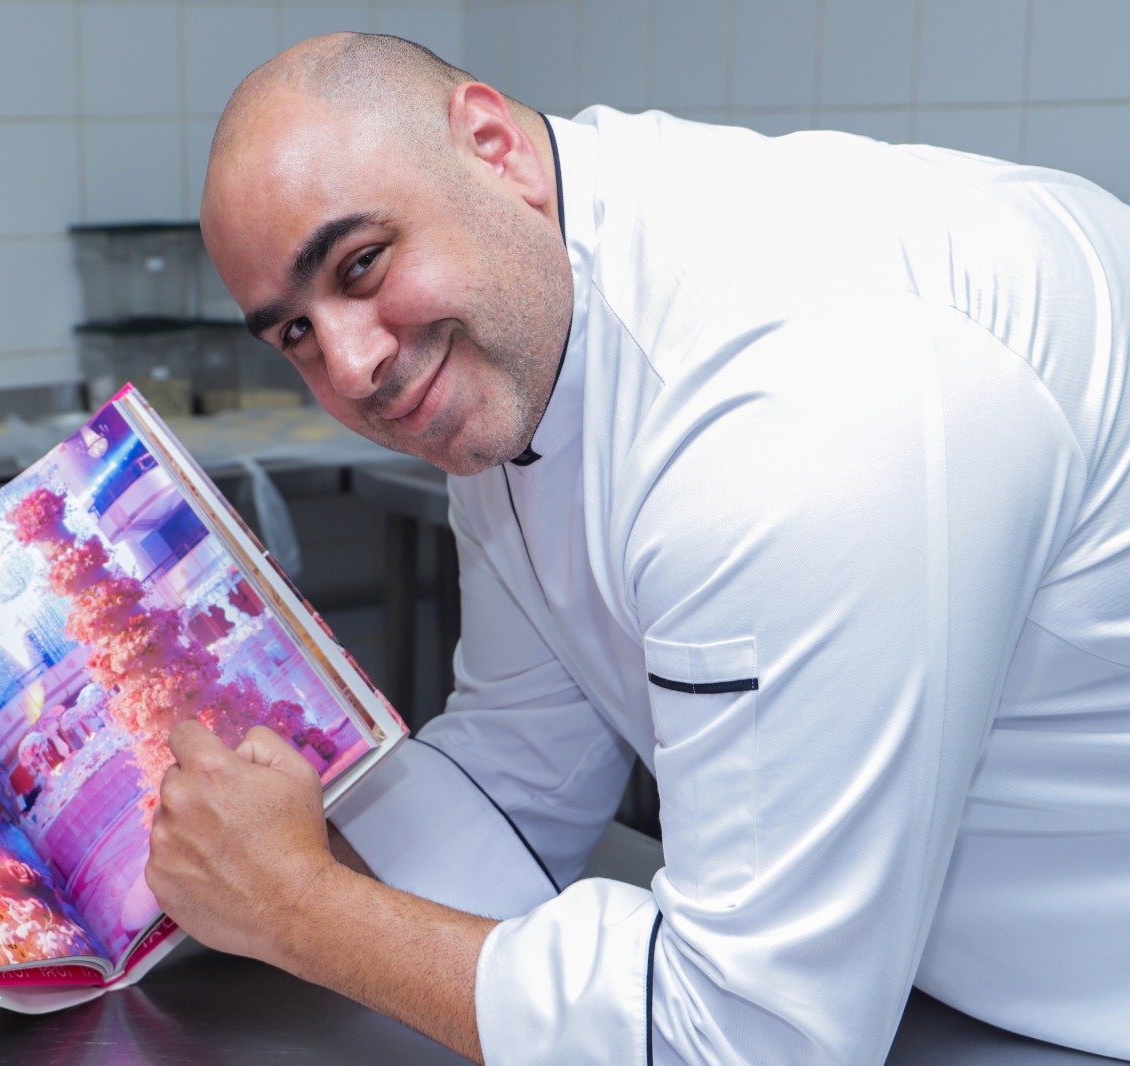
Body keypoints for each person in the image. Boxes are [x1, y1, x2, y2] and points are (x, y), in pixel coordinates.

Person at [144, 32, 1130, 1065]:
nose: (352, 367)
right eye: (296, 334)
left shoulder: (802, 407)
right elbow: (521, 767)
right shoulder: (524, 319)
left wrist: (299, 907)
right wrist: (206, 860)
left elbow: (747, 1042)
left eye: (360, 264)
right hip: (944, 991)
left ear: (492, 145)